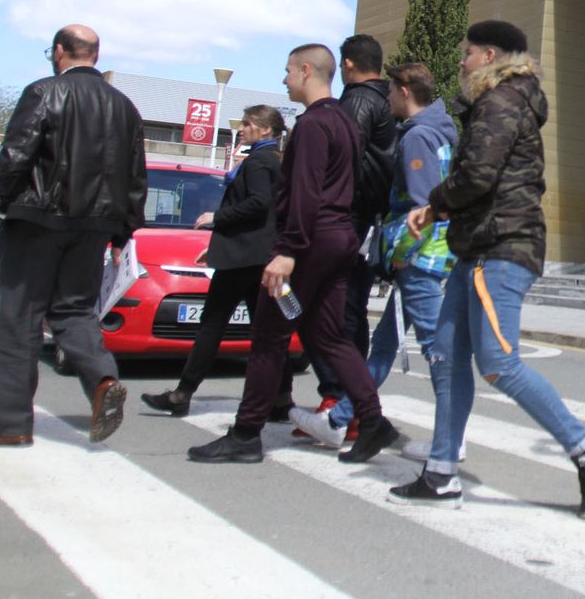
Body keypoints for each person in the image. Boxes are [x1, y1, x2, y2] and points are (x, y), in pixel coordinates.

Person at [390, 22, 585, 516]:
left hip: (500, 245)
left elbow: (477, 174)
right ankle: (441, 471)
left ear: (489, 54)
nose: (461, 62)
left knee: (498, 362)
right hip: (477, 246)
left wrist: (433, 204)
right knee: (448, 358)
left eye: (467, 53)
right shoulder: (502, 101)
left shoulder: (499, 101)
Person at [189, 44, 401, 465]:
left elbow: (305, 192)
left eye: (288, 71)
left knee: (270, 335)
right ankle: (372, 420)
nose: (284, 79)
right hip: (340, 235)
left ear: (307, 71)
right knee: (330, 335)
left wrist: (287, 251)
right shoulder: (342, 120)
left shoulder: (314, 125)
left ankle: (247, 432)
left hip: (311, 241)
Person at [295, 62, 457, 451]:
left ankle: (449, 442)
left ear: (404, 90)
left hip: (418, 258)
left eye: (389, 93)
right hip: (424, 257)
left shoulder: (418, 137)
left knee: (437, 352)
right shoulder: (436, 132)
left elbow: (423, 205)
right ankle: (340, 418)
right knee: (384, 347)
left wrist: (402, 252)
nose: (385, 100)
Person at [0, 25, 145, 447]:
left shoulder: (44, 92)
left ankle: (10, 424)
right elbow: (136, 176)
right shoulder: (125, 107)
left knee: (19, 316)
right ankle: (101, 381)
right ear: (95, 55)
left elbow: (16, 154)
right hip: (95, 226)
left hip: (37, 218)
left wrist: (5, 199)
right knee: (75, 311)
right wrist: (123, 232)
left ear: (59, 52)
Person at [143, 106, 289, 418]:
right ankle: (280, 396)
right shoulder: (269, 159)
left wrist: (216, 218)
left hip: (243, 259)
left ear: (265, 130)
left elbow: (259, 204)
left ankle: (183, 393)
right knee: (264, 330)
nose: (243, 129)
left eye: (248, 124)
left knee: (213, 325)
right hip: (250, 255)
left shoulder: (260, 162)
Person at [297, 34, 399, 436]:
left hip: (347, 218)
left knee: (330, 314)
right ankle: (350, 403)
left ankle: (343, 401)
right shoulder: (381, 102)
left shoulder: (356, 101)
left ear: (349, 65)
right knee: (342, 312)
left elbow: (340, 160)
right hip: (361, 218)